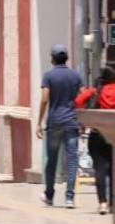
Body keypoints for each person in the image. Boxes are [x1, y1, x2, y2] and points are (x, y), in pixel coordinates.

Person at [38, 45, 85, 208]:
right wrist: (83, 120)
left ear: (52, 58)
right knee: (72, 161)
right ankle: (69, 197)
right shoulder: (75, 76)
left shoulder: (48, 76)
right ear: (67, 58)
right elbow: (82, 97)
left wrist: (39, 122)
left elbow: (44, 98)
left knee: (52, 160)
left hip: (54, 123)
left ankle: (49, 195)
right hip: (72, 122)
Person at [75, 65, 115, 214]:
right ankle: (112, 203)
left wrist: (86, 119)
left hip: (97, 134)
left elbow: (78, 101)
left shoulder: (95, 91)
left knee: (100, 169)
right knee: (113, 170)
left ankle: (102, 203)